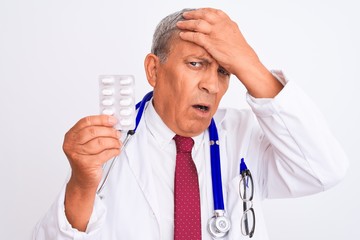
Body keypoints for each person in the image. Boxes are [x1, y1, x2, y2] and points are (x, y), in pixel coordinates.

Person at [33, 8, 348, 240]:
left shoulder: (245, 136)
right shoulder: (108, 145)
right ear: (154, 70)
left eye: (224, 71)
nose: (212, 85)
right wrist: (81, 182)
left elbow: (324, 170)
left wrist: (248, 61)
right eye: (196, 64)